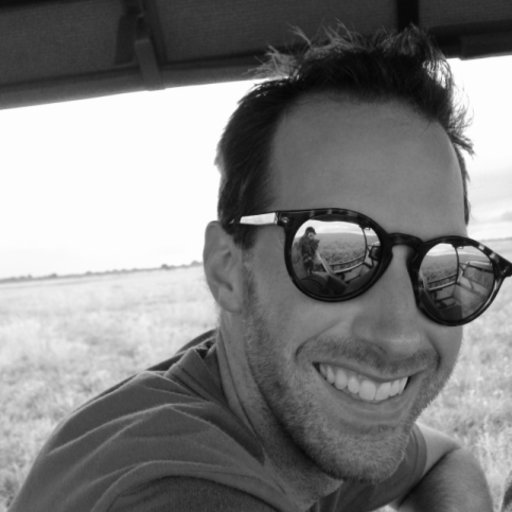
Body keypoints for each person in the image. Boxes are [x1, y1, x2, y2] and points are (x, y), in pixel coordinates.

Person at [10, 25, 512, 512]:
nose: (399, 335)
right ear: (228, 269)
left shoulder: (273, 403)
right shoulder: (171, 490)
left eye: (444, 269)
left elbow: (446, 458)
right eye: (339, 254)